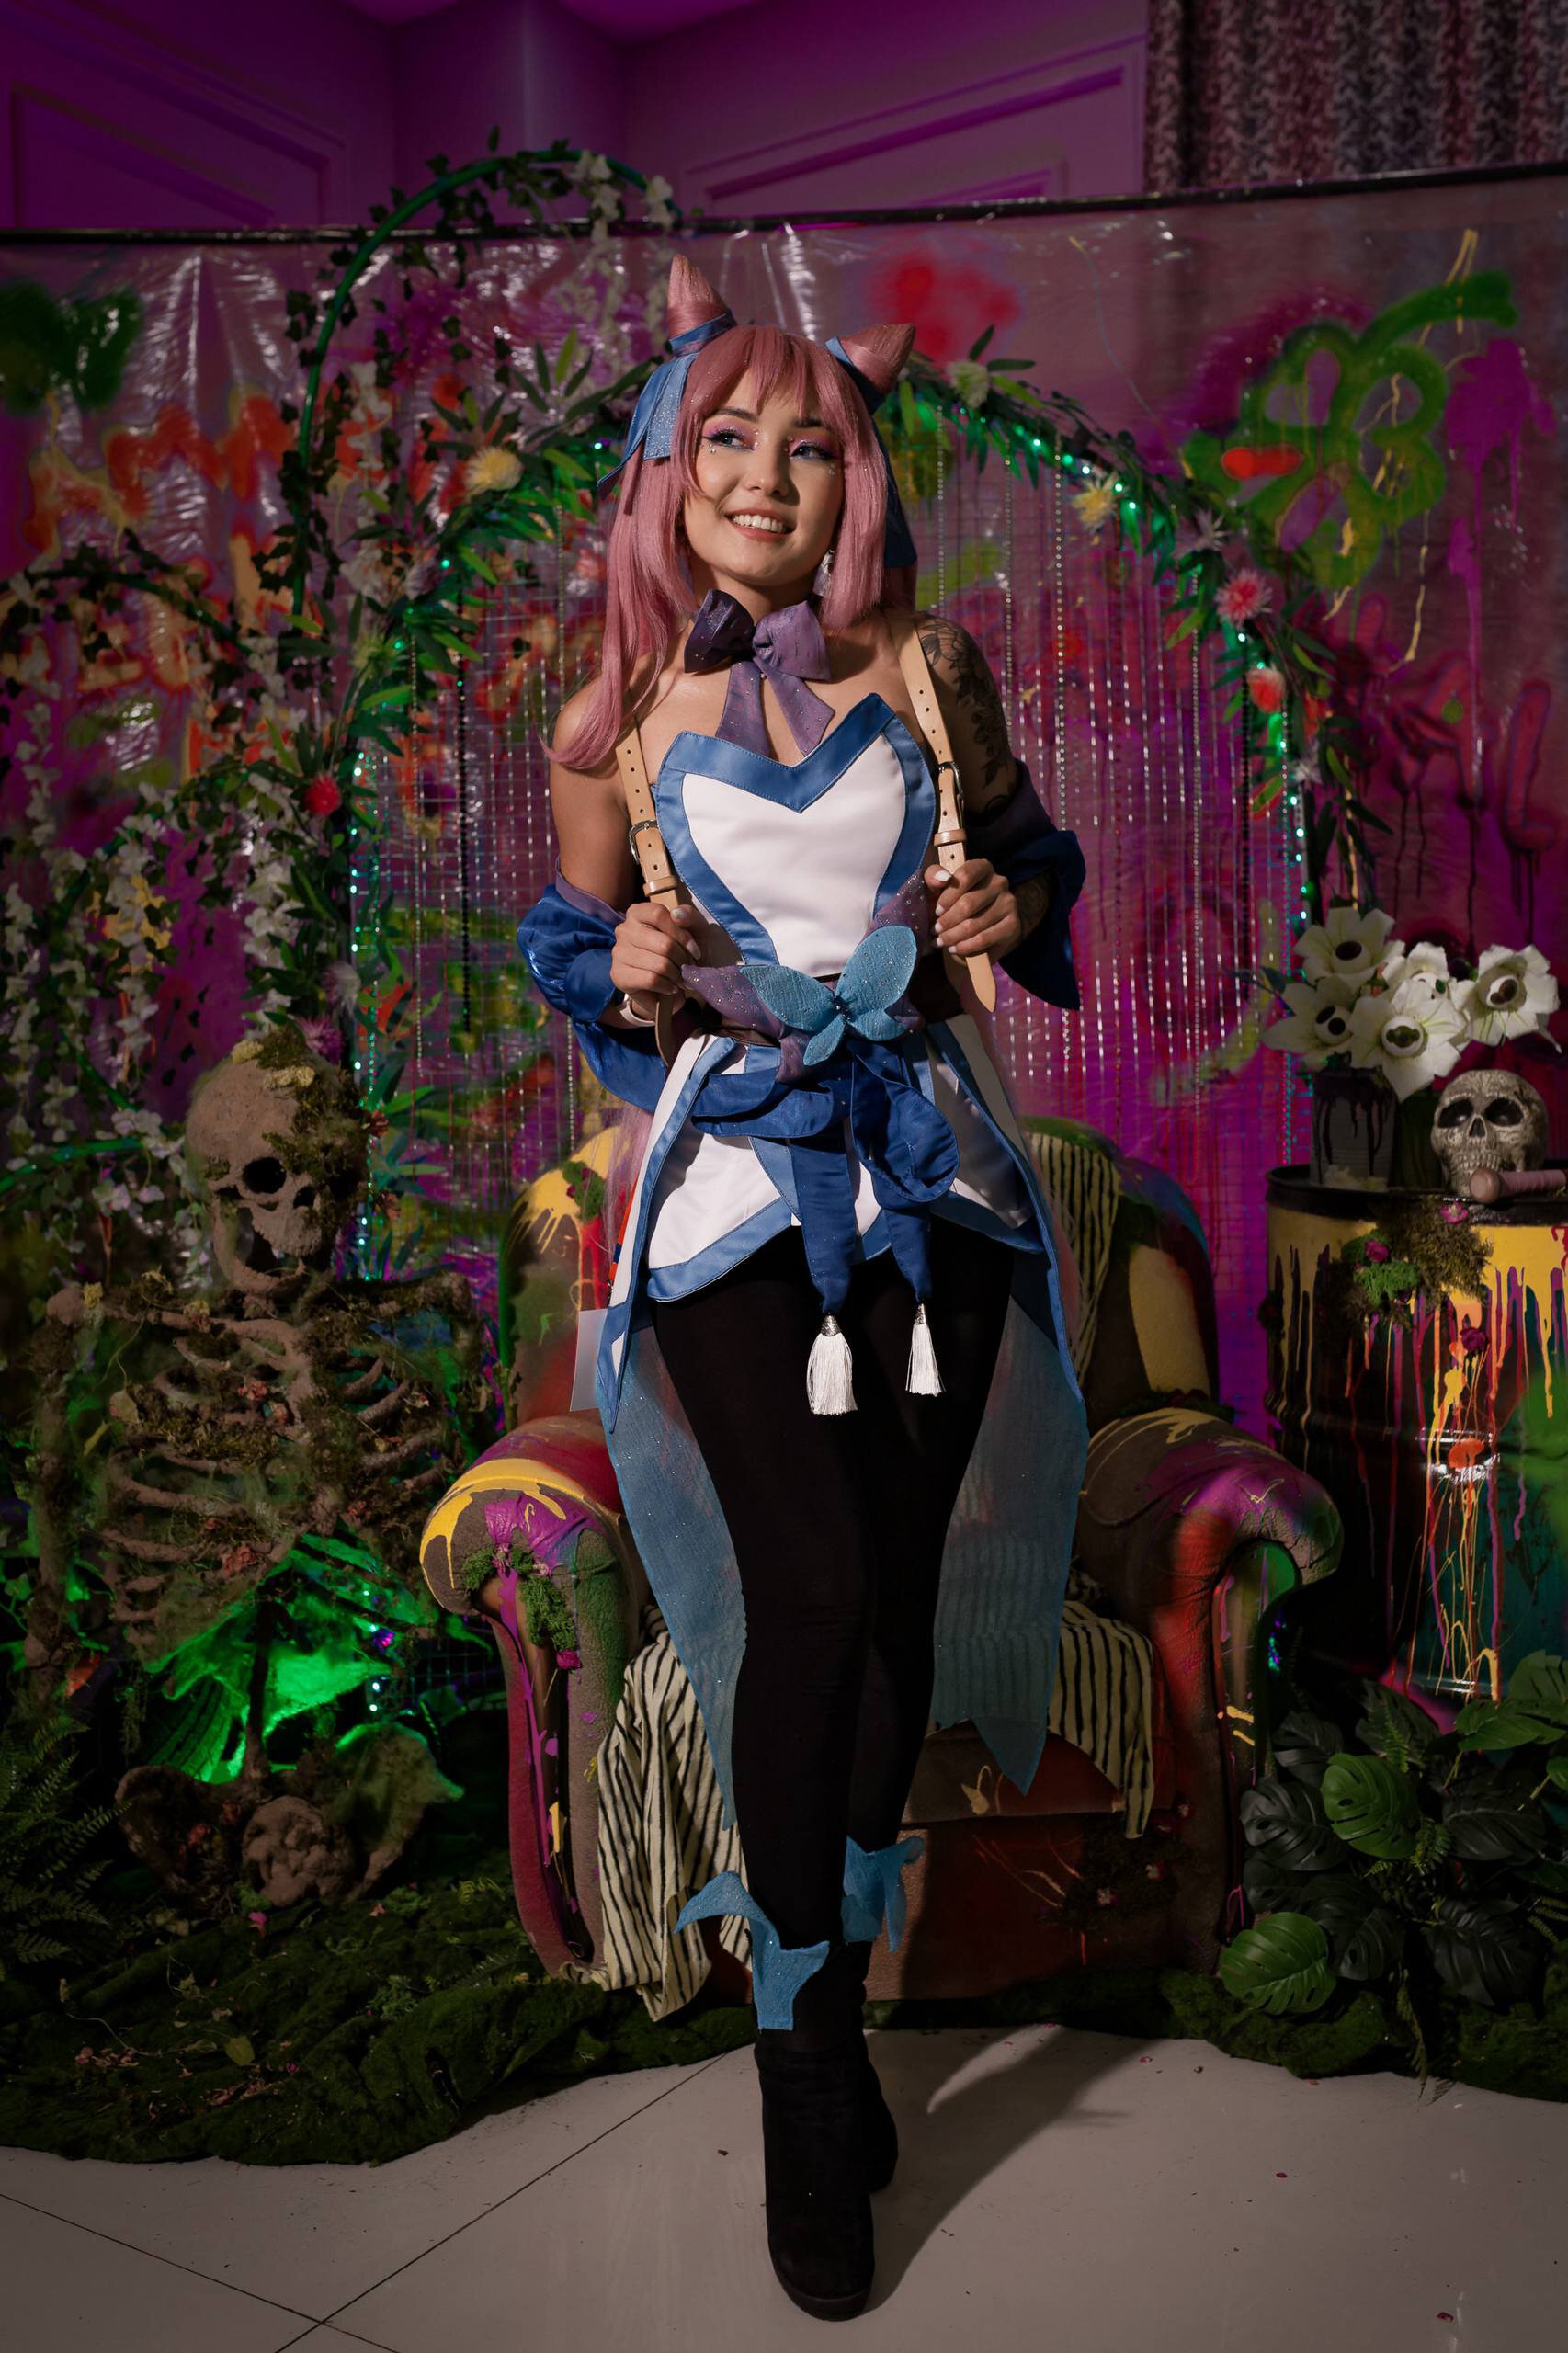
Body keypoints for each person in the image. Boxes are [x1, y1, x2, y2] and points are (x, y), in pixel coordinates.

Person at [518, 255, 1088, 2322]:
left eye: (808, 441)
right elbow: (572, 952)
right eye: (727, 437)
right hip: (732, 1193)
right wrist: (622, 970)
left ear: (856, 474)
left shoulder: (930, 667)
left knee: (900, 1599)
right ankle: (798, 2049)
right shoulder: (608, 717)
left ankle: (831, 1993)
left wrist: (1007, 899)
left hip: (928, 1178)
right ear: (669, 472)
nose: (765, 474)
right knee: (815, 1589)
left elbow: (1034, 873)